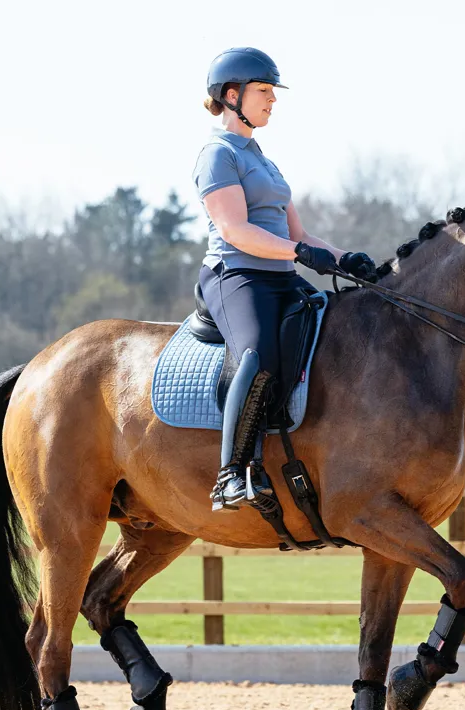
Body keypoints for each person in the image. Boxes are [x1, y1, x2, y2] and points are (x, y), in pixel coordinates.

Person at [193, 47, 378, 512]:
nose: (272, 100)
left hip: (279, 275)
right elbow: (236, 231)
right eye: (264, 91)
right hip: (235, 275)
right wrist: (301, 253)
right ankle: (231, 474)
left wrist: (344, 258)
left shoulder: (265, 162)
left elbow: (299, 234)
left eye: (273, 92)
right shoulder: (218, 156)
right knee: (257, 355)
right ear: (231, 96)